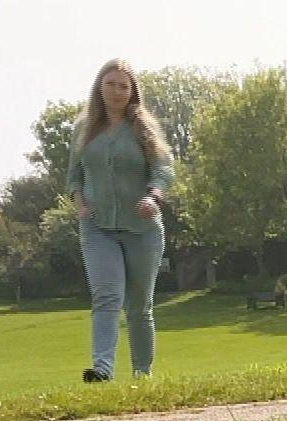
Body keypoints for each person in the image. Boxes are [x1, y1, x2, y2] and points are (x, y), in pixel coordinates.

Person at [68, 58, 176, 383]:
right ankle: (102, 370)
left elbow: (163, 170)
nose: (116, 91)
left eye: (123, 86)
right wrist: (80, 204)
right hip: (97, 226)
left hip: (142, 230)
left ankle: (142, 375)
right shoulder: (83, 128)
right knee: (106, 297)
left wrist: (153, 196)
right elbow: (73, 175)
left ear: (132, 92)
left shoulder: (144, 127)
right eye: (110, 84)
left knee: (140, 307)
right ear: (99, 87)